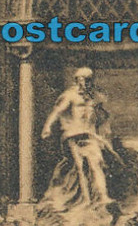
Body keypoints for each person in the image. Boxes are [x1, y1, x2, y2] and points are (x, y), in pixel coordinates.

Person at [41, 67, 115, 208]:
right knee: (82, 166)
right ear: (77, 80)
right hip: (74, 134)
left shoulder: (95, 97)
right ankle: (88, 198)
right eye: (82, 79)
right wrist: (47, 127)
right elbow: (57, 111)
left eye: (88, 80)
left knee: (97, 162)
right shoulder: (70, 95)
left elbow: (102, 117)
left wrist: (105, 133)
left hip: (90, 134)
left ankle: (101, 196)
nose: (85, 83)